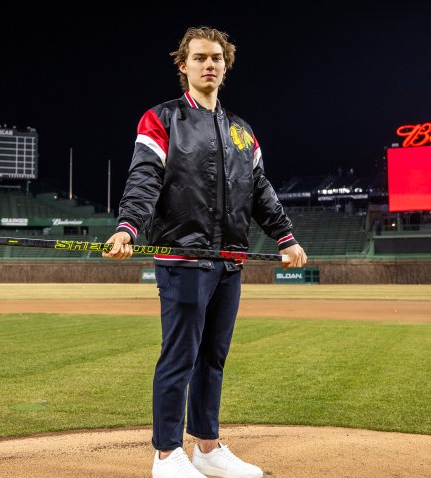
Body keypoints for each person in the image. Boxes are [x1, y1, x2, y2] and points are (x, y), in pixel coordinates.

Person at [103, 26, 306, 478]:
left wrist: (286, 237)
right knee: (180, 356)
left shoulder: (241, 131)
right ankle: (166, 455)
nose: (209, 64)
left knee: (213, 358)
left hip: (229, 260)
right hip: (183, 258)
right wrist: (128, 227)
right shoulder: (162, 119)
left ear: (225, 66)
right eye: (199, 58)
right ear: (184, 66)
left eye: (216, 58)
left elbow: (259, 191)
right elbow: (144, 178)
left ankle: (208, 448)